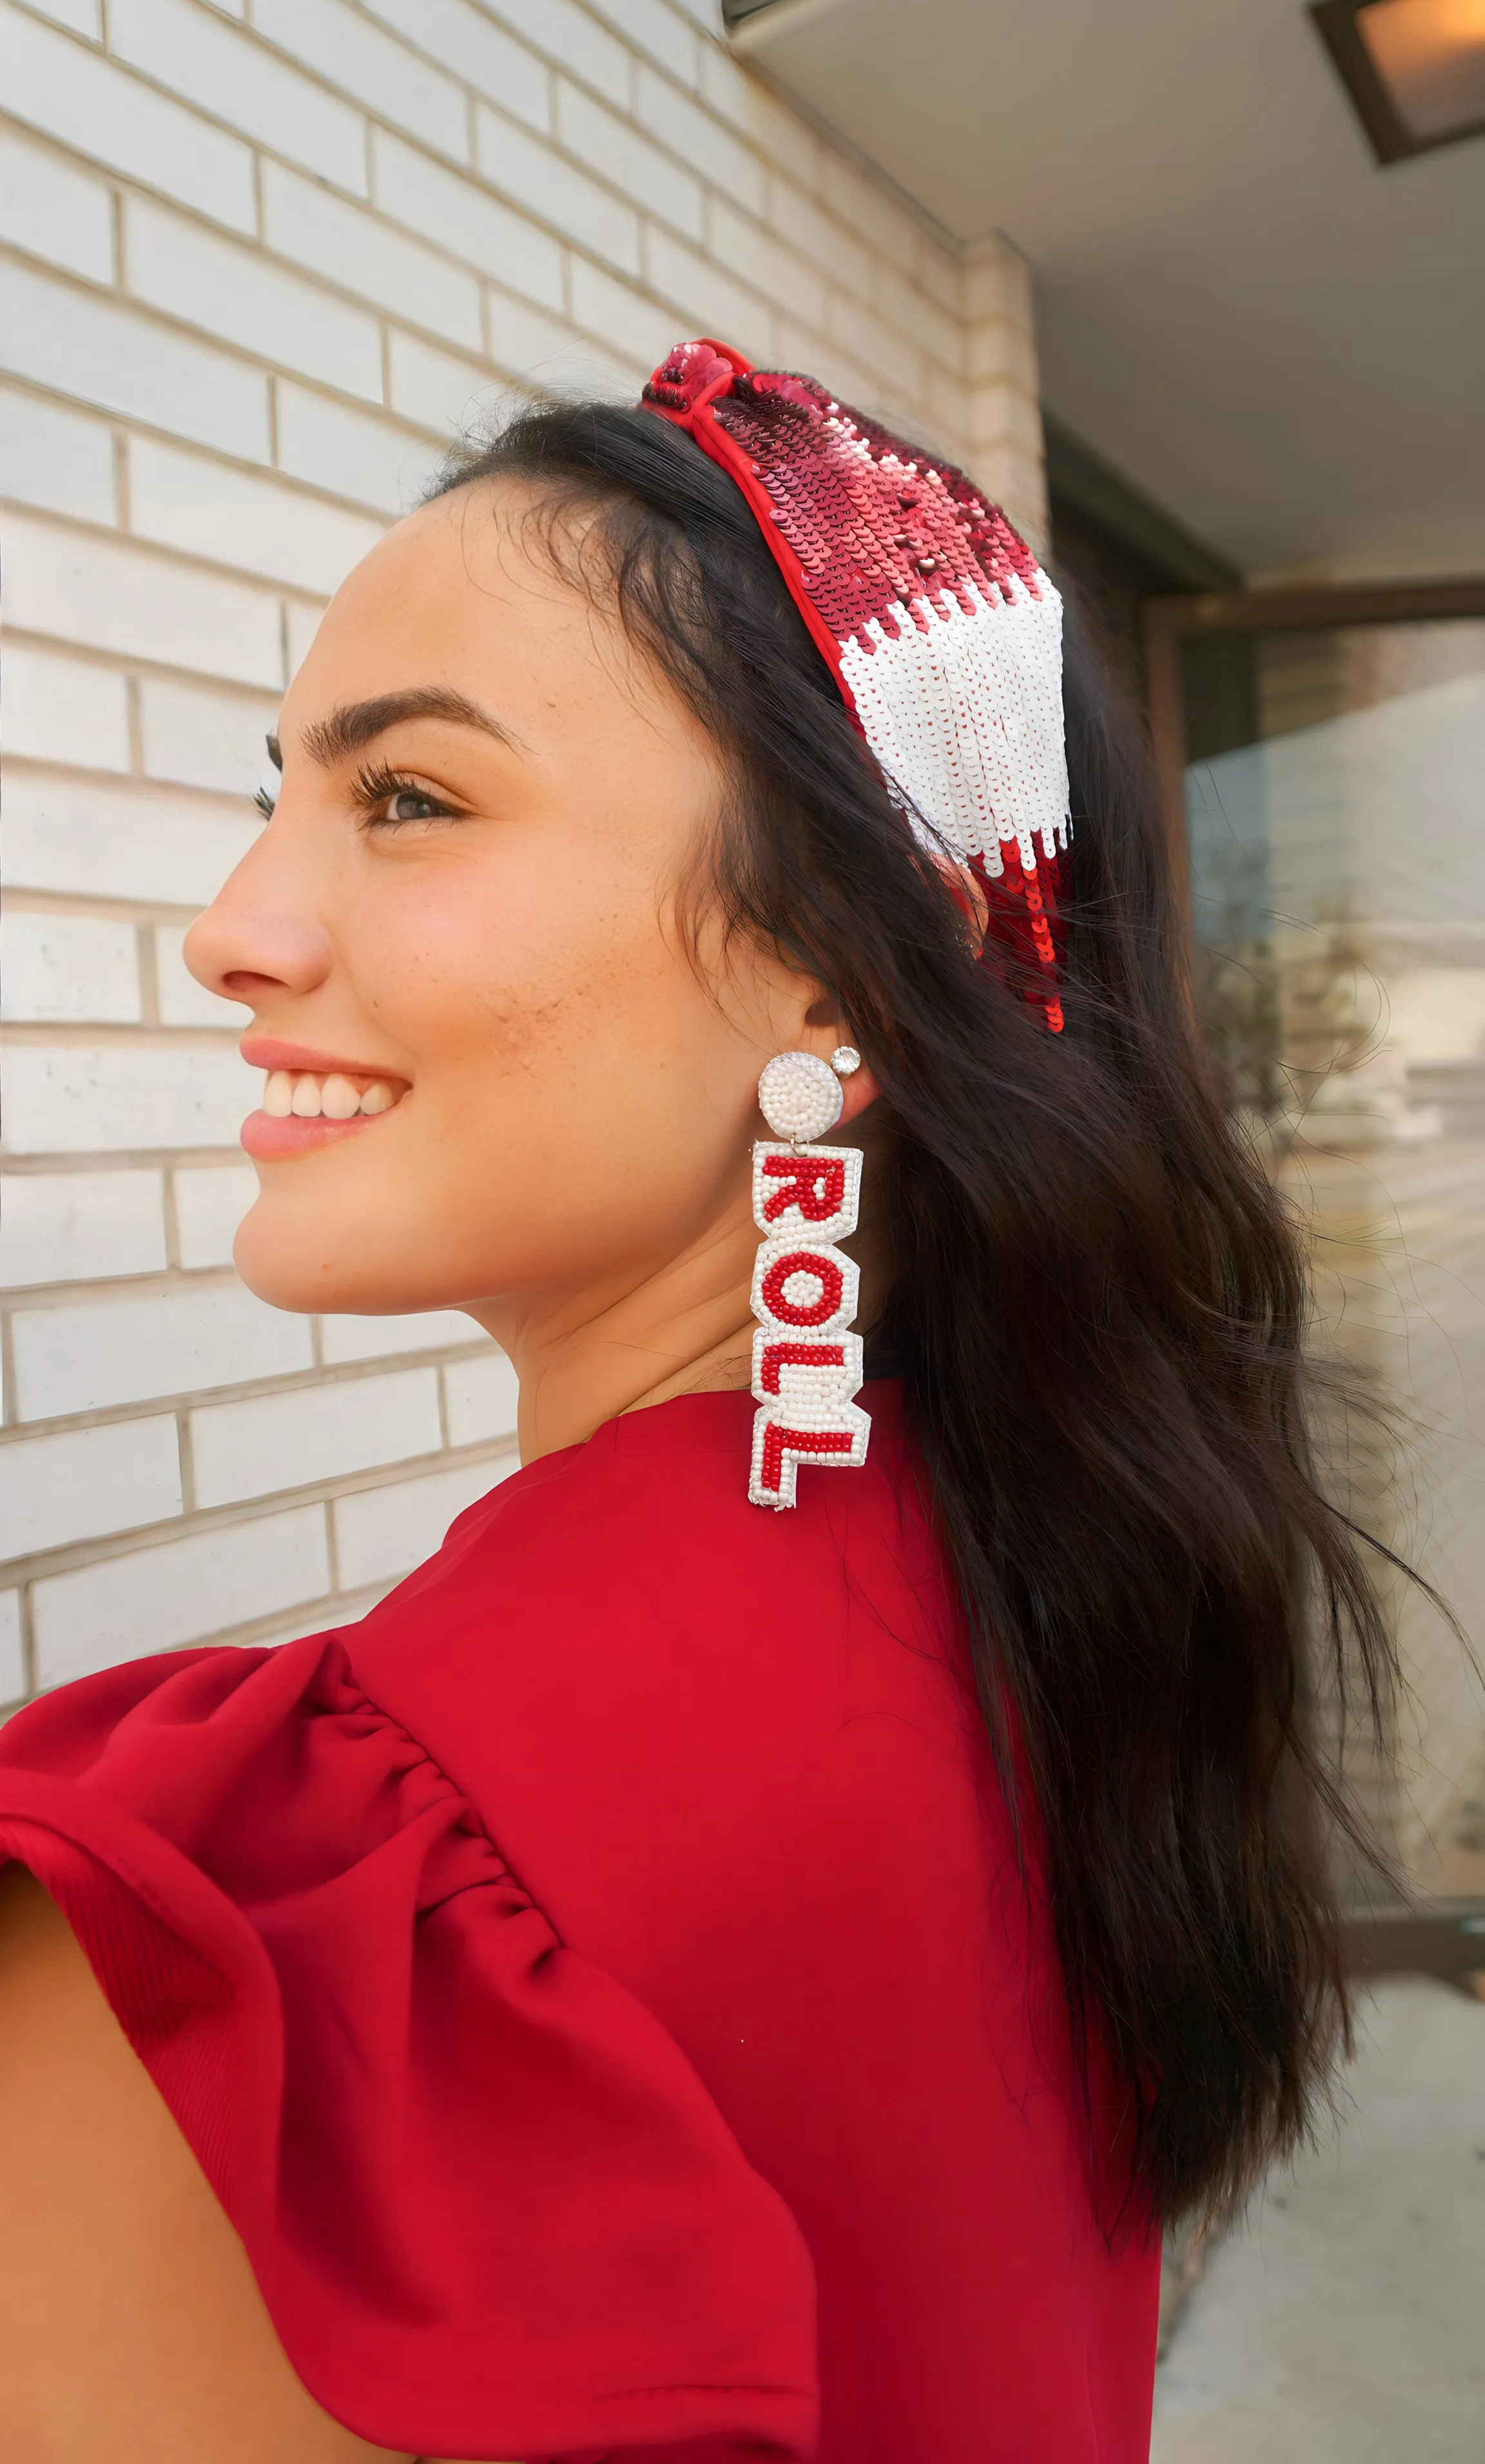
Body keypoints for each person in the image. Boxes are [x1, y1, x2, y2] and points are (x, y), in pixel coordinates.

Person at [0, 344, 1397, 2463]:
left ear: (836, 963)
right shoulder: (1050, 1592)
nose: (233, 930)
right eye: (274, 790)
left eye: (409, 799)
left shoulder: (284, 1921)